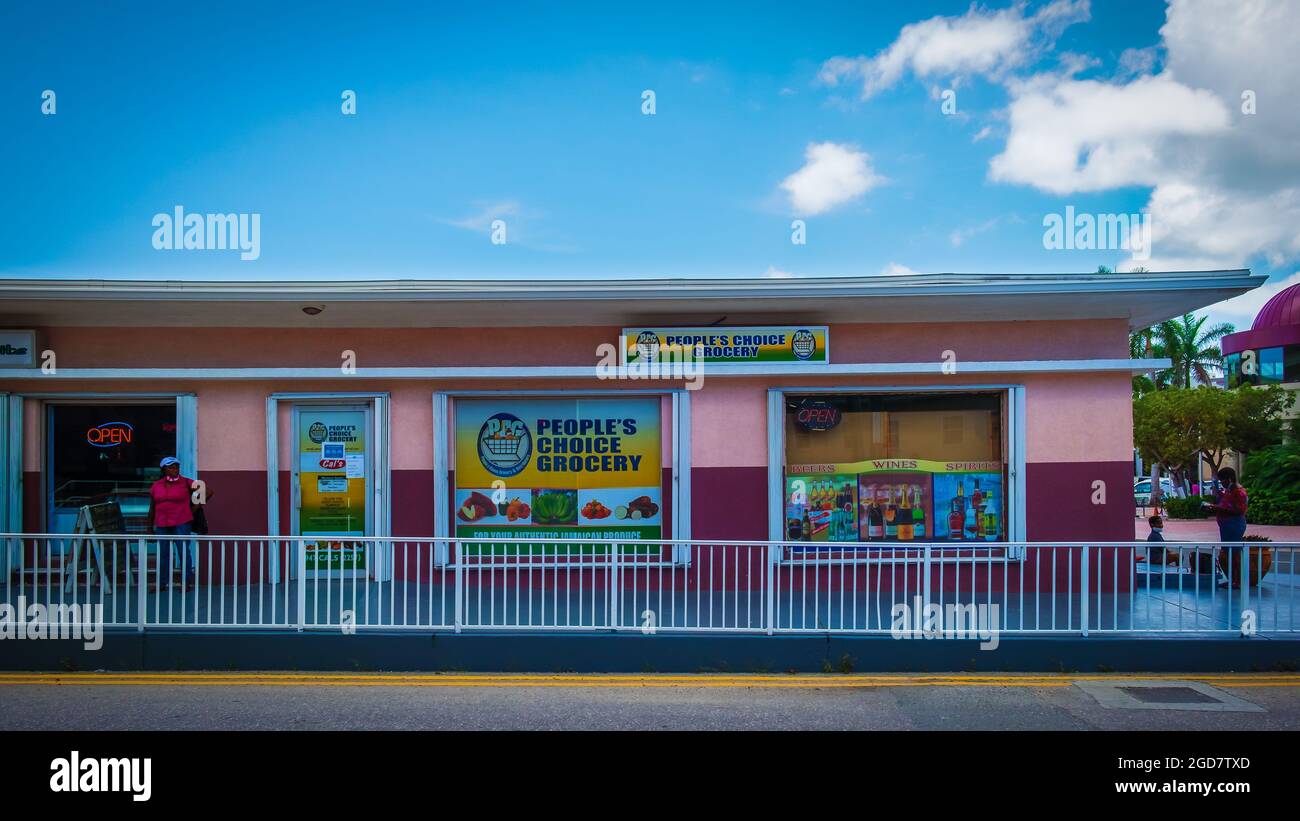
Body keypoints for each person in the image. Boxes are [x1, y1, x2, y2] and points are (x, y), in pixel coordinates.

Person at [146, 456, 213, 591]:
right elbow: (152, 507)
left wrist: (193, 508)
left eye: (176, 467)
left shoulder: (186, 482)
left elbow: (208, 491)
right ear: (164, 469)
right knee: (163, 554)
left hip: (181, 522)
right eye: (171, 467)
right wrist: (149, 526)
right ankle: (161, 583)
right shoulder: (156, 485)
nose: (175, 469)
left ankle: (186, 583)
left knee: (183, 552)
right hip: (162, 523)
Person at [1202, 467, 1248, 543]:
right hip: (1227, 525)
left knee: (1232, 550)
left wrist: (1214, 507)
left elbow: (1237, 510)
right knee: (1227, 550)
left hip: (1234, 525)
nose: (1222, 484)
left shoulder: (1238, 492)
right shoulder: (1230, 491)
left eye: (1222, 481)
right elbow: (1225, 503)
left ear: (1229, 479)